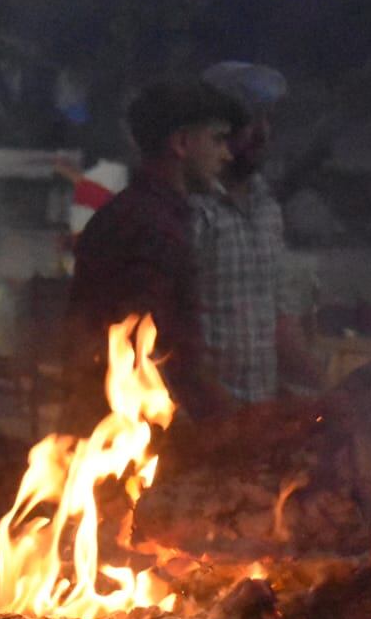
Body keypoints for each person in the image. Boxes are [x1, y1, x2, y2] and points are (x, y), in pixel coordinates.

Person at [64, 77, 242, 420]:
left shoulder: (127, 215)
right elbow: (149, 349)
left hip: (108, 433)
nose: (226, 154)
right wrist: (229, 424)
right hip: (134, 438)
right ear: (181, 143)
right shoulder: (154, 227)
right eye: (217, 140)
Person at [192, 61, 322, 403]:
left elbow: (281, 322)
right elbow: (171, 342)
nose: (263, 134)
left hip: (256, 422)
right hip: (196, 426)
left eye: (267, 120)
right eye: (249, 123)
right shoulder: (192, 211)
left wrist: (326, 394)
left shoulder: (267, 208)